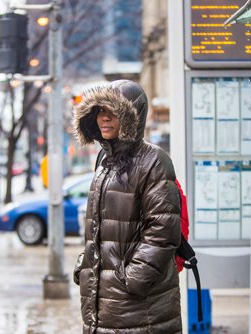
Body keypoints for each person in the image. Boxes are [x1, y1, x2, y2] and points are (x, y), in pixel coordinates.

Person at [72, 80, 182, 333]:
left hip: (138, 303)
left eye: (113, 112)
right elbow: (101, 226)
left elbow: (163, 228)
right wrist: (85, 263)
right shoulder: (103, 159)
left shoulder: (154, 160)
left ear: (132, 116)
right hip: (103, 295)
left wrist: (133, 279)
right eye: (100, 111)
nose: (104, 118)